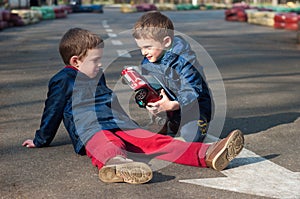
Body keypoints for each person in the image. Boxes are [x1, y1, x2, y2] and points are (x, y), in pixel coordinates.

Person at [22, 27, 244, 185]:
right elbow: (52, 111)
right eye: (95, 60)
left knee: (156, 142)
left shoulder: (95, 74)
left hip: (119, 121)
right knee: (105, 142)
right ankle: (117, 163)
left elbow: (107, 99)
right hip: (89, 126)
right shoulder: (63, 80)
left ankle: (206, 154)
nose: (100, 65)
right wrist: (41, 139)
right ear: (75, 61)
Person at [132, 11, 212, 142]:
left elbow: (193, 91)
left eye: (147, 47)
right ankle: (166, 120)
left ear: (166, 42)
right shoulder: (147, 62)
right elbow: (150, 88)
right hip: (168, 106)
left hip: (193, 107)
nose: (143, 52)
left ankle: (197, 123)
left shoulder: (185, 61)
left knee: (191, 136)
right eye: (140, 48)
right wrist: (145, 100)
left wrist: (172, 105)